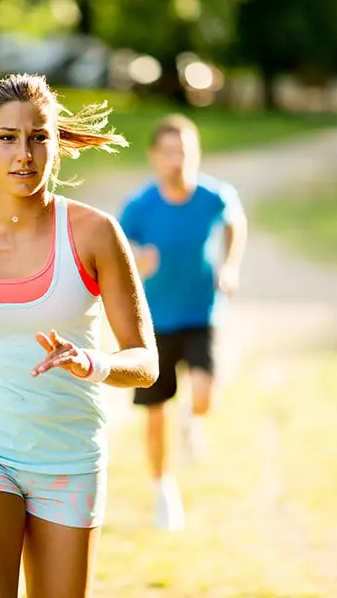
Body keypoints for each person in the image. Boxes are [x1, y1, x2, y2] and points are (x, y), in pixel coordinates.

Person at [0, 73, 159, 598]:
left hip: (68, 455)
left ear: (57, 144)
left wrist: (93, 362)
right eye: (7, 137)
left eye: (39, 137)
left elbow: (146, 360)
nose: (24, 154)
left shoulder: (94, 234)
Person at [118, 113, 248, 532]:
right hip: (153, 323)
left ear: (196, 155)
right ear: (155, 157)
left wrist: (230, 266)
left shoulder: (214, 196)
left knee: (204, 392)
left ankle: (194, 423)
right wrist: (137, 259)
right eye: (169, 152)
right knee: (156, 413)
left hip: (200, 311)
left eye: (185, 152)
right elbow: (117, 252)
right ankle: (164, 491)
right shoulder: (139, 206)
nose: (177, 160)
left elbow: (236, 224)